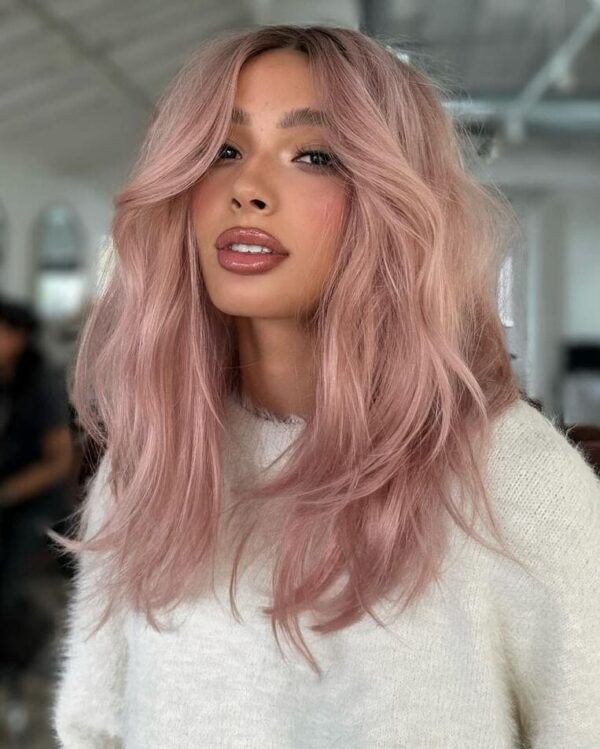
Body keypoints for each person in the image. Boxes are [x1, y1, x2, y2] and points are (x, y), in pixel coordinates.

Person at [50, 25, 600, 748]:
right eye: (222, 150)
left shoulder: (511, 480)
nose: (248, 188)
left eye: (314, 156)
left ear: (389, 199)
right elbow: (93, 724)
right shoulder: (157, 459)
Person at [0, 297, 74, 671]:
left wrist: (10, 493)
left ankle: (24, 647)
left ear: (19, 337)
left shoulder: (40, 387)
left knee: (8, 576)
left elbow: (58, 462)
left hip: (33, 498)